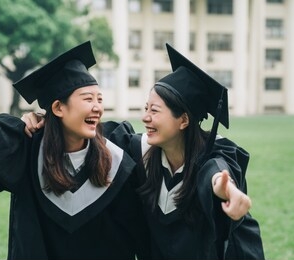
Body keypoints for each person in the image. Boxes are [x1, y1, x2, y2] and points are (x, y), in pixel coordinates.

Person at [0, 41, 150, 260]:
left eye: (100, 99)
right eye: (88, 99)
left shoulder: (117, 145)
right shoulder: (27, 145)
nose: (97, 107)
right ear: (58, 108)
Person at [22, 43, 265, 259]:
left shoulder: (214, 155)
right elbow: (93, 129)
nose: (145, 117)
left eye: (155, 111)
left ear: (183, 120)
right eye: (146, 107)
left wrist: (226, 189)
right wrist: (45, 117)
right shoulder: (140, 150)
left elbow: (215, 170)